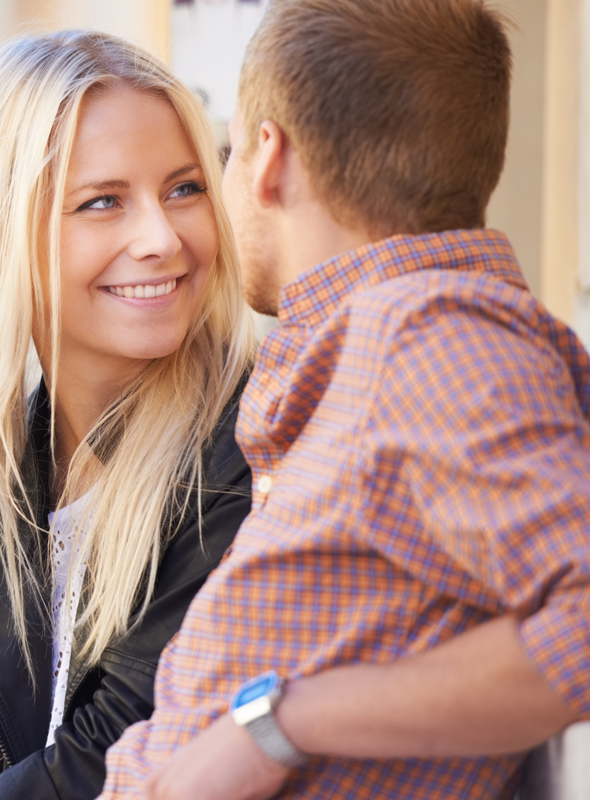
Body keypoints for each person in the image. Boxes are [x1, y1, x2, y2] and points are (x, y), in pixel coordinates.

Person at [98, 1, 590, 798]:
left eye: (222, 152)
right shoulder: (378, 348)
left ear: (268, 156)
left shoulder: (428, 336)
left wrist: (278, 724)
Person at [0, 31, 257, 800]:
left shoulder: (246, 445)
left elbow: (116, 753)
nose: (162, 238)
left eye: (184, 189)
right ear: (6, 235)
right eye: (103, 202)